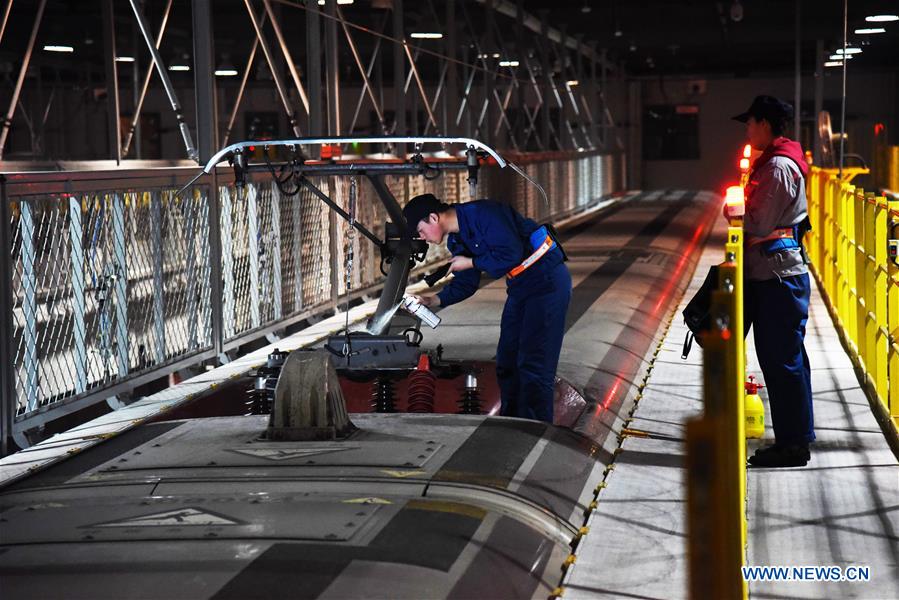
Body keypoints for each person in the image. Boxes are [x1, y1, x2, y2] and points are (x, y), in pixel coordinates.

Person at [402, 193, 571, 423]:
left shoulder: (484, 214)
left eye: (421, 232)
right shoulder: (457, 240)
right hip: (521, 286)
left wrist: (471, 262)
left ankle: (537, 430)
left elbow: (511, 253)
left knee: (534, 364)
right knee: (507, 362)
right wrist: (434, 300)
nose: (424, 239)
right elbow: (466, 283)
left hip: (547, 281)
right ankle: (513, 424)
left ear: (433, 217)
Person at [731, 95, 814, 467]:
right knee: (786, 359)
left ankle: (793, 446)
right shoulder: (776, 162)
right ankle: (794, 439)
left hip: (778, 277)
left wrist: (733, 211)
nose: (747, 131)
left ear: (764, 123)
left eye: (749, 123)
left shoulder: (777, 167)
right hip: (776, 274)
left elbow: (759, 222)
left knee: (782, 361)